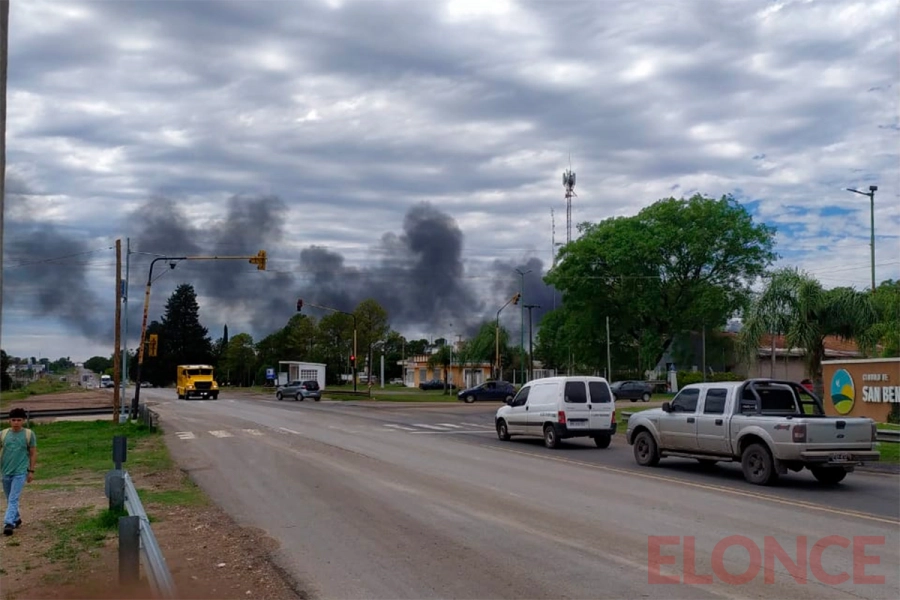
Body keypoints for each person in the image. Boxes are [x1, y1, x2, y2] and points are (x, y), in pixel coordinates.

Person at [1, 408, 37, 536]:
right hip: (5, 471)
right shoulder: (3, 434)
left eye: (19, 420)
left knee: (13, 497)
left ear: (23, 421)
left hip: (20, 471)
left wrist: (31, 470)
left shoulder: (28, 434)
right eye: (13, 420)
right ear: (9, 421)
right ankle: (16, 518)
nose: (16, 422)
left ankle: (8, 523)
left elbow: (32, 453)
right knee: (9, 496)